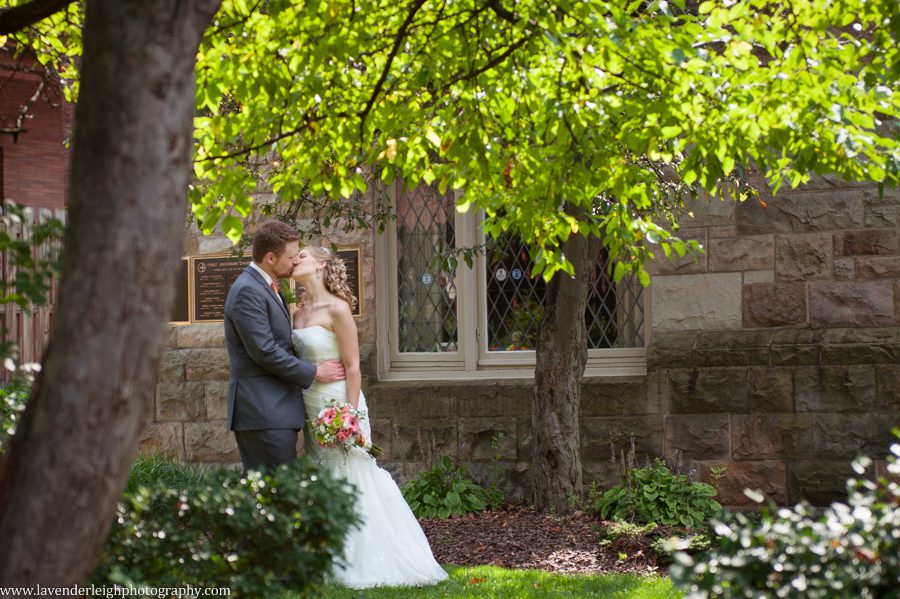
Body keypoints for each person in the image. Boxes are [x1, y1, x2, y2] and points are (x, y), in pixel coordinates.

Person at [291, 246, 448, 589]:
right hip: (310, 405)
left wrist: (349, 415)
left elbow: (353, 366)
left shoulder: (337, 308)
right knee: (322, 477)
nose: (294, 260)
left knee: (353, 473)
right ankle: (325, 556)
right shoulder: (296, 311)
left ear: (320, 264)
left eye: (301, 255)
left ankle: (363, 558)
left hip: (339, 403)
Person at [224, 221, 345, 474]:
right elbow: (265, 351)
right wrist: (314, 373)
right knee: (276, 496)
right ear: (270, 257)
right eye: (291, 257)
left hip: (273, 411)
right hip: (263, 411)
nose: (295, 262)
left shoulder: (266, 287)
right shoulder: (248, 291)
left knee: (274, 498)